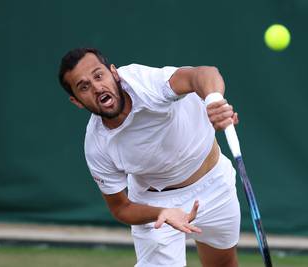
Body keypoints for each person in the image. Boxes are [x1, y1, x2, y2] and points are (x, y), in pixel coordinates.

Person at [58, 47, 241, 267]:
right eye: (84, 86)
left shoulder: (145, 83)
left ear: (114, 73)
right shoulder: (97, 145)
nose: (97, 87)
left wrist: (213, 102)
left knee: (222, 264)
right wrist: (162, 212)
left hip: (215, 184)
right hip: (156, 204)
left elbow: (203, 74)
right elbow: (121, 207)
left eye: (99, 75)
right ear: (77, 101)